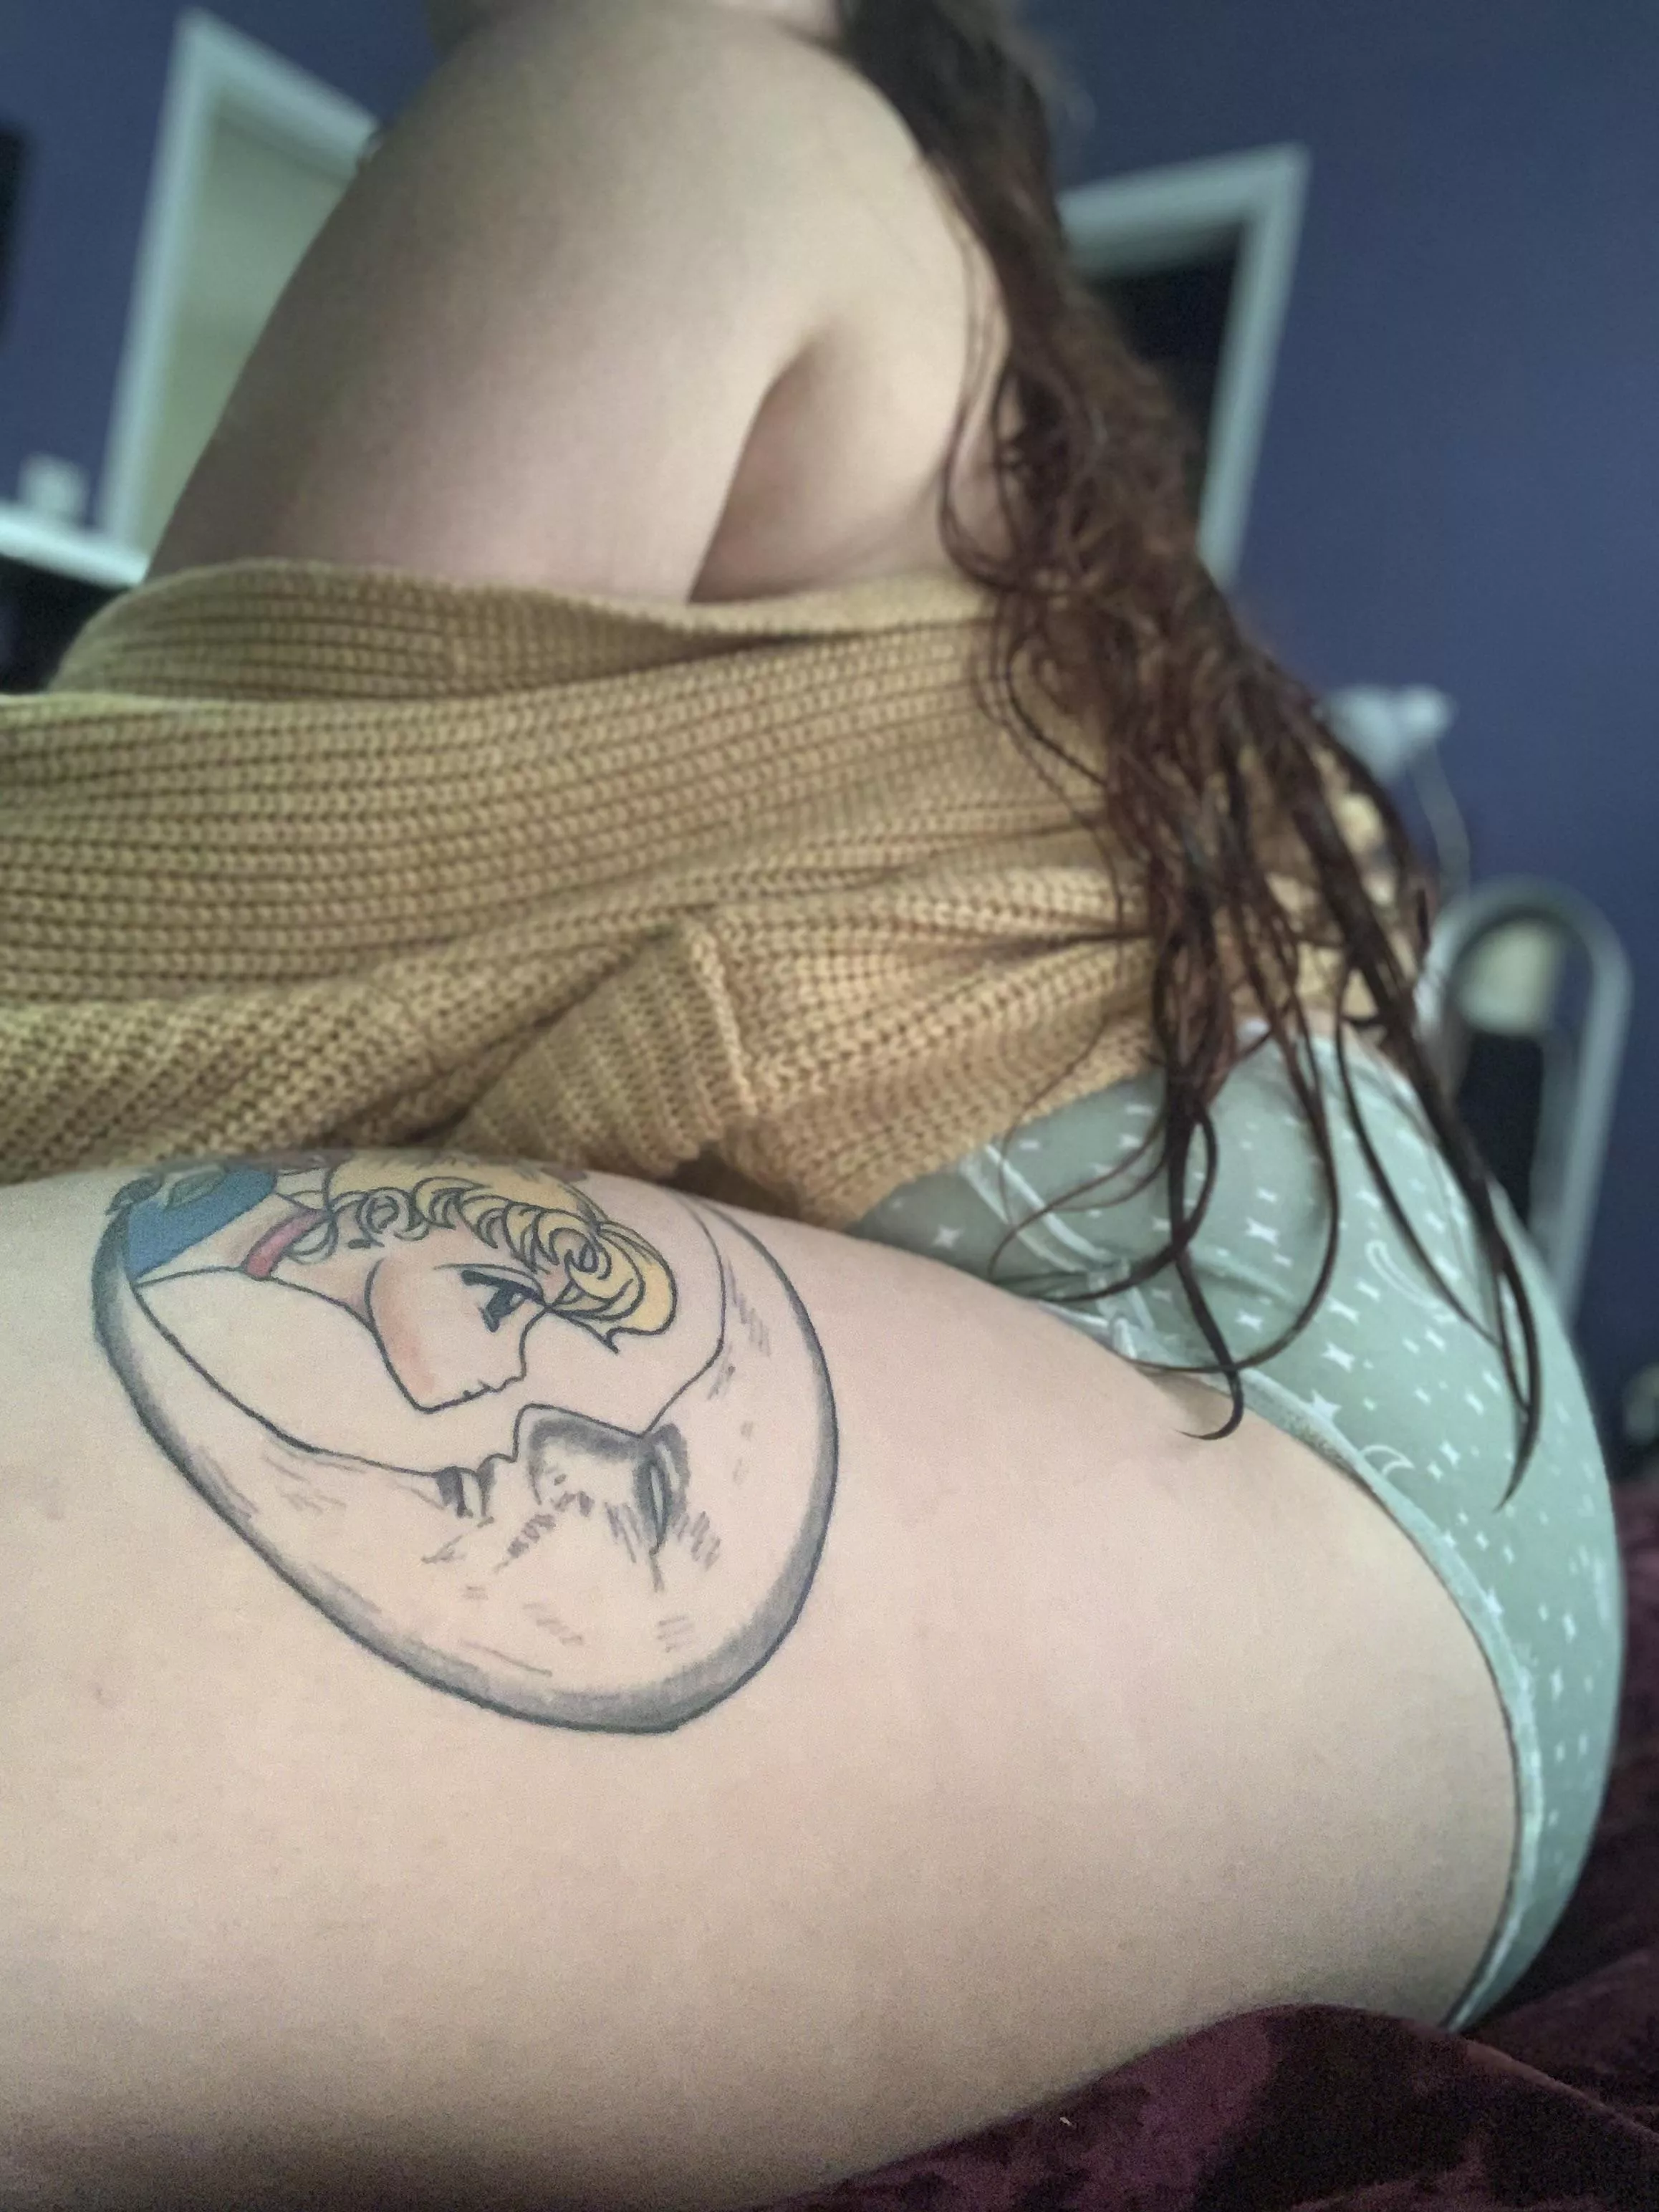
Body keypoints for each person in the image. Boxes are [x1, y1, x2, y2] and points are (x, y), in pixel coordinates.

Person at [0, 4, 1621, 2207]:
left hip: (1267, 1478)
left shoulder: (660, 69)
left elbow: (168, 949)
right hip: (1403, 1479)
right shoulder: (957, 307)